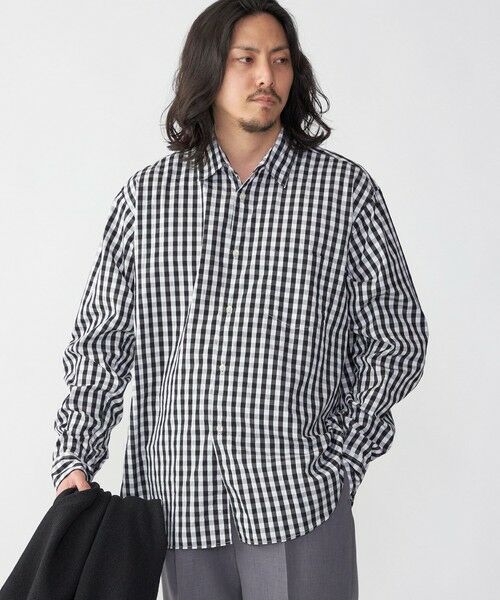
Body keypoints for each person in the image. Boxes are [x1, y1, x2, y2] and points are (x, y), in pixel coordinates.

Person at [51, 1, 429, 598]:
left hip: (299, 499)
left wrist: (343, 459)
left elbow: (397, 339)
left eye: (280, 61)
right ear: (209, 69)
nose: (265, 77)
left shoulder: (344, 194)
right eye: (245, 59)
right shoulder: (147, 200)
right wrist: (76, 454)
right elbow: (102, 341)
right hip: (178, 502)